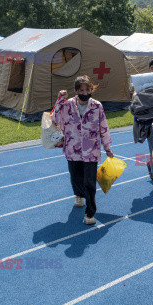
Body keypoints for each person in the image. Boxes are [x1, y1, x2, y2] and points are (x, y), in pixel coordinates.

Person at [52, 75, 114, 225]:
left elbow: (103, 127)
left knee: (90, 182)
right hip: (72, 149)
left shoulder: (97, 106)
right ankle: (78, 194)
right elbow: (55, 119)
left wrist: (107, 147)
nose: (85, 93)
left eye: (88, 89)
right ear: (75, 91)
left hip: (91, 150)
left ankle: (90, 212)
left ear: (91, 90)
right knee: (75, 177)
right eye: (81, 90)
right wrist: (60, 99)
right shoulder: (67, 105)